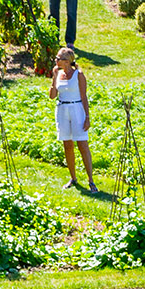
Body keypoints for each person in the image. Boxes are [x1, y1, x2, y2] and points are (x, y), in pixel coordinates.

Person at [50, 47, 97, 191]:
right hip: (62, 109)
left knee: (82, 144)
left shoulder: (79, 75)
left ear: (66, 61)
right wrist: (53, 80)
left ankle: (91, 180)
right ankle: (73, 177)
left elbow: (84, 97)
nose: (56, 61)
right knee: (67, 145)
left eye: (58, 59)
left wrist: (87, 117)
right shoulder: (57, 72)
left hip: (77, 109)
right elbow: (52, 95)